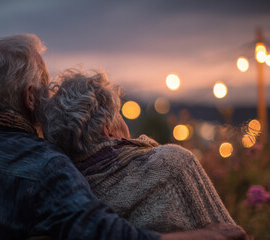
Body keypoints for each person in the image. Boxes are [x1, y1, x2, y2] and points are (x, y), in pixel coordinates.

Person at [0, 34, 246, 240]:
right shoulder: (43, 165)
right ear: (30, 98)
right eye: (43, 91)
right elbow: (103, 235)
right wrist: (206, 235)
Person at [39, 70, 238, 233]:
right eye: (118, 115)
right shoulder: (172, 164)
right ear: (107, 130)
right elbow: (230, 233)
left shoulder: (69, 194)